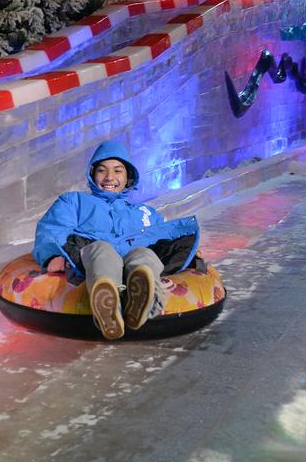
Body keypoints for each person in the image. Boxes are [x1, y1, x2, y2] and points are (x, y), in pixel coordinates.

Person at [32, 141, 201, 340]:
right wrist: (51, 254)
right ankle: (108, 302)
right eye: (102, 171)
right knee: (103, 251)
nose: (109, 177)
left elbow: (162, 239)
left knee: (145, 255)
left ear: (128, 176)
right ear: (93, 174)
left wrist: (187, 253)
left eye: (117, 171)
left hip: (133, 256)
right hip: (92, 255)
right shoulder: (74, 202)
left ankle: (144, 299)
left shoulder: (143, 211)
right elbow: (51, 229)